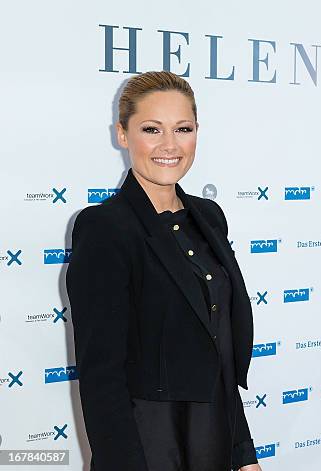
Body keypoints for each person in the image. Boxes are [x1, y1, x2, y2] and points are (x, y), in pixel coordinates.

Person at [65, 71, 262, 471]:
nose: (170, 145)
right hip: (149, 447)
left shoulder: (208, 218)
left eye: (183, 129)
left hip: (214, 439)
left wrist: (244, 453)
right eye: (151, 129)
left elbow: (218, 350)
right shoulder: (106, 228)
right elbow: (102, 376)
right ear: (122, 134)